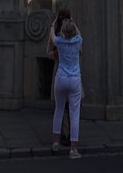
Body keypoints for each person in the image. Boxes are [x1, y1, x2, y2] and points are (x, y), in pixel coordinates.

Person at [51, 16, 83, 159]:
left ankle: (56, 143)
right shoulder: (78, 42)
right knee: (74, 114)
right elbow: (79, 33)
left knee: (58, 110)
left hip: (61, 78)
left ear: (63, 32)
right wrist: (73, 24)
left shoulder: (59, 42)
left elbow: (52, 35)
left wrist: (53, 25)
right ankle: (73, 149)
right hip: (75, 80)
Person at [48, 8, 72, 146]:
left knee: (70, 108)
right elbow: (48, 52)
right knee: (62, 107)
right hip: (60, 72)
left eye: (67, 18)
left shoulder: (73, 33)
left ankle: (69, 136)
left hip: (72, 74)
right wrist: (54, 55)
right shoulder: (57, 36)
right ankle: (64, 134)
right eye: (63, 19)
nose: (65, 21)